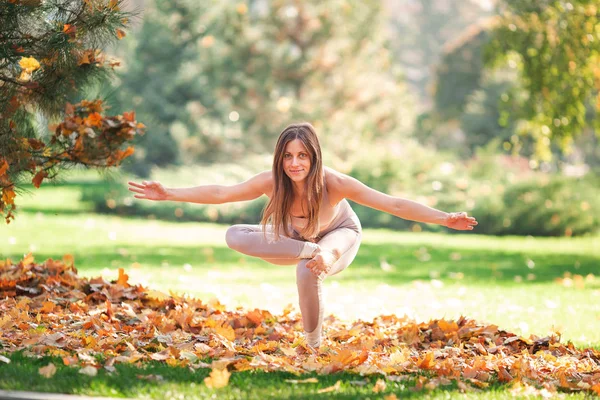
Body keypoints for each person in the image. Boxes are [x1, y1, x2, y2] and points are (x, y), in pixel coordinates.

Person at [127, 122, 478, 349]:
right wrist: (168, 193)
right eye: (288, 156)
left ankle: (313, 343)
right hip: (296, 243)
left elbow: (394, 204)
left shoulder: (334, 183)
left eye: (303, 156)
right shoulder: (272, 182)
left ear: (314, 157)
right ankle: (310, 253)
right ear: (280, 158)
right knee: (234, 234)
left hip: (339, 236)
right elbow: (222, 193)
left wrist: (444, 218)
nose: (295, 163)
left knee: (309, 268)